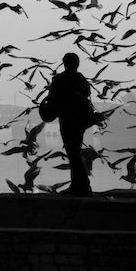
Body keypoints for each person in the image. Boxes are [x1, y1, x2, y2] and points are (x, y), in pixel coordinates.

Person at [47, 52, 96, 196]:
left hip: (67, 120)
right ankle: (78, 185)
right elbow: (86, 94)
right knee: (75, 150)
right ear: (77, 64)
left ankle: (83, 186)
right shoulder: (81, 79)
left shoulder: (59, 79)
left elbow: (52, 99)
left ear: (64, 63)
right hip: (80, 120)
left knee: (72, 152)